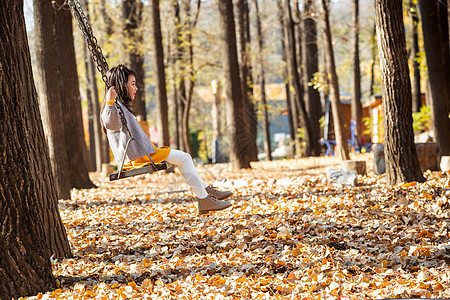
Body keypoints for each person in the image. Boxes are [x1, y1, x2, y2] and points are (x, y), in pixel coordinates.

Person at [100, 64, 232, 214]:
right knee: (184, 158)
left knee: (184, 158)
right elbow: (112, 124)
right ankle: (205, 198)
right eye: (133, 84)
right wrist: (110, 102)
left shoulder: (119, 105)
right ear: (121, 85)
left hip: (140, 155)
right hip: (137, 158)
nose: (136, 88)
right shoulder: (112, 106)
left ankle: (207, 193)